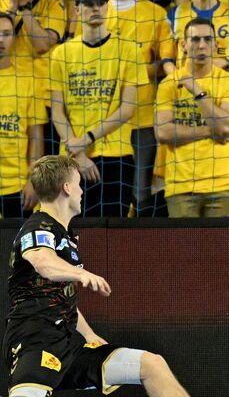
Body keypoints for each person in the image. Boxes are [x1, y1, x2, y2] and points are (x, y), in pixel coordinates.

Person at [3, 155, 190, 397]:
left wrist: (90, 335)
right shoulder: (38, 227)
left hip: (69, 345)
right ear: (67, 188)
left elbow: (61, 295)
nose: (82, 191)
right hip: (35, 340)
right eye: (79, 183)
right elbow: (42, 262)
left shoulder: (65, 234)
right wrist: (81, 274)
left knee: (153, 364)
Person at [49, 0, 148, 217]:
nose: (95, 8)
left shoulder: (129, 50)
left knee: (113, 236)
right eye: (88, 3)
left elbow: (127, 108)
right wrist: (78, 153)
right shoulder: (61, 54)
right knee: (70, 234)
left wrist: (86, 140)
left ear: (107, 5)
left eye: (100, 2)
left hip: (116, 156)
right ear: (76, 9)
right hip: (71, 159)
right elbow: (57, 111)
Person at [155, 17, 229, 218]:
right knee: (185, 250)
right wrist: (208, 131)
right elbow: (163, 132)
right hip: (180, 186)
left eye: (207, 39)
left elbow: (226, 128)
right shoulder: (169, 84)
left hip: (222, 184)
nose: (201, 45)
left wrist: (196, 90)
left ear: (216, 45)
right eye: (195, 40)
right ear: (183, 45)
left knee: (223, 250)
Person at [0, 0, 67, 156]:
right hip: (7, 93)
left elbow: (42, 45)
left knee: (43, 165)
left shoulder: (53, 5)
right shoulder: (2, 2)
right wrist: (11, 9)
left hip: (42, 97)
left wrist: (25, 10)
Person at [0, 12, 45, 219]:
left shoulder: (27, 81)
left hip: (17, 187)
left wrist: (32, 180)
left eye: (6, 33)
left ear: (14, 38)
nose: (1, 39)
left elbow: (36, 136)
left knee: (17, 249)